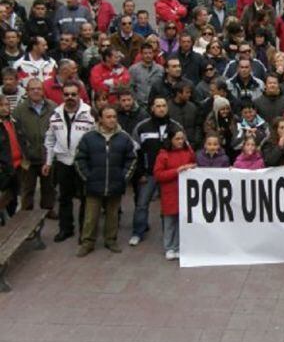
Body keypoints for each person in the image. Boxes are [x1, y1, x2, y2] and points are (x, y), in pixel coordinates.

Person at [73, 106, 136, 257]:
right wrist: (88, 177)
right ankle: (87, 243)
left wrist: (123, 178)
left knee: (113, 215)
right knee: (91, 217)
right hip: (94, 185)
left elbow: (131, 159)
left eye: (114, 116)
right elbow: (79, 159)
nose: (112, 120)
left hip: (115, 184)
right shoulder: (88, 137)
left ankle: (111, 240)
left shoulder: (124, 137)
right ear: (100, 119)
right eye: (108, 117)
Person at [43, 82, 95, 242]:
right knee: (64, 198)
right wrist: (48, 162)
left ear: (79, 95)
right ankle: (65, 229)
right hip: (63, 163)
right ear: (62, 95)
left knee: (85, 199)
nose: (70, 98)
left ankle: (84, 233)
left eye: (73, 94)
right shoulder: (55, 115)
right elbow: (50, 140)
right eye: (66, 94)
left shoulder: (90, 114)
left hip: (83, 163)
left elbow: (96, 140)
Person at [129, 97, 183, 246]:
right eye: (158, 106)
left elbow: (183, 149)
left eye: (164, 106)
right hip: (149, 174)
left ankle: (170, 234)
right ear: (152, 108)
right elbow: (135, 152)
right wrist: (140, 173)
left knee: (169, 205)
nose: (161, 109)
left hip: (170, 174)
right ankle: (138, 232)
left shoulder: (176, 127)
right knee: (142, 204)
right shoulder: (142, 127)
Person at [13, 79, 56, 215]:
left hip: (47, 155)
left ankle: (48, 210)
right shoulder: (19, 110)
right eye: (32, 89)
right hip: (28, 157)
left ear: (43, 91)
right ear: (27, 91)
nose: (36, 91)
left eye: (39, 88)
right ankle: (25, 214)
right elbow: (15, 133)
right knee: (27, 188)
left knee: (49, 187)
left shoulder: (53, 108)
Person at [153, 129, 196, 260]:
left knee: (180, 222)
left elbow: (195, 164)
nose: (180, 141)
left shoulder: (188, 152)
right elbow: (158, 175)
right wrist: (177, 171)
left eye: (182, 139)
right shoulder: (163, 155)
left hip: (184, 193)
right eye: (177, 139)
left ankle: (177, 247)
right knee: (170, 222)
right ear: (170, 139)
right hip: (170, 192)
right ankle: (169, 247)